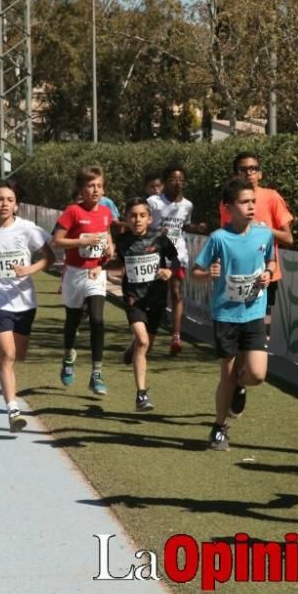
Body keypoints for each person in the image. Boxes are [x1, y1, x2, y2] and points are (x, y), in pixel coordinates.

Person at [193, 177, 275, 450]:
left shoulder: (264, 234)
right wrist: (208, 274)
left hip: (253, 312)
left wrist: (268, 273)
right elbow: (196, 273)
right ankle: (219, 427)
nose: (251, 206)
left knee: (257, 375)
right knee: (226, 375)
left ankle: (242, 385)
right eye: (244, 202)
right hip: (226, 315)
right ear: (229, 207)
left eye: (253, 201)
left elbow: (271, 262)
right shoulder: (219, 238)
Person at [0, 180, 55, 432]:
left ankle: (11, 398)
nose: (4, 204)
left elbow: (50, 257)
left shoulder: (27, 228)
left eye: (9, 199)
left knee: (19, 355)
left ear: (16, 204)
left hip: (25, 301)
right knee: (6, 355)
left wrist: (30, 268)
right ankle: (12, 408)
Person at [112, 197, 180, 411]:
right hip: (134, 299)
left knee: (144, 345)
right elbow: (116, 262)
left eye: (142, 215)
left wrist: (169, 270)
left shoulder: (159, 238)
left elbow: (175, 259)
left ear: (150, 218)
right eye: (133, 216)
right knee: (142, 341)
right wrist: (100, 266)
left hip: (157, 298)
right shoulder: (121, 241)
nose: (137, 220)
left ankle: (132, 350)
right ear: (126, 219)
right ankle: (141, 395)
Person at [52, 166, 115, 395]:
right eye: (90, 185)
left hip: (96, 273)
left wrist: (110, 244)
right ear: (81, 189)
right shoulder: (72, 212)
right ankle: (69, 356)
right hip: (75, 274)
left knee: (97, 319)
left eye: (99, 185)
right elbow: (57, 240)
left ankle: (96, 373)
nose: (95, 189)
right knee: (73, 321)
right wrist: (81, 241)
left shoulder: (107, 212)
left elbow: (107, 233)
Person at [219, 152, 294, 329]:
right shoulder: (226, 203)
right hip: (236, 276)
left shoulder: (272, 197)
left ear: (260, 174)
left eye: (254, 168)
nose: (249, 172)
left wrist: (262, 230)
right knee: (239, 329)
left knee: (260, 329)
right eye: (243, 169)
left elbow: (288, 239)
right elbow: (225, 239)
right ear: (235, 174)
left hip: (266, 275)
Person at [148, 164, 208, 356]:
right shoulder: (153, 202)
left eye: (181, 180)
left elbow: (185, 225)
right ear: (165, 181)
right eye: (173, 179)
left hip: (178, 254)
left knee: (176, 292)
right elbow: (142, 224)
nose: (177, 183)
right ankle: (149, 335)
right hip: (155, 253)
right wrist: (157, 231)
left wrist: (197, 228)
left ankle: (176, 336)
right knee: (155, 297)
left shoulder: (187, 205)